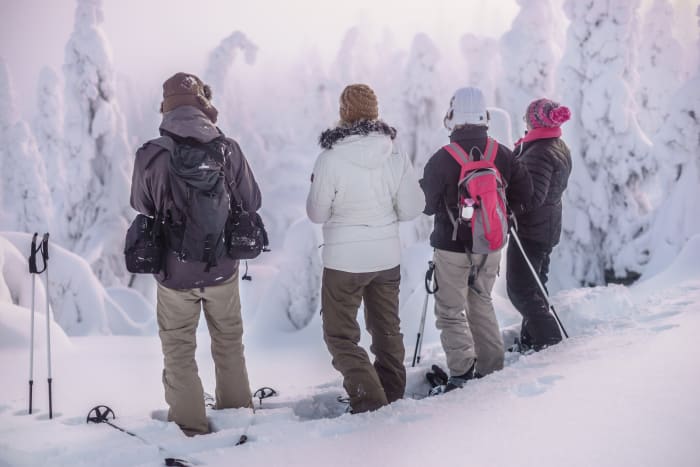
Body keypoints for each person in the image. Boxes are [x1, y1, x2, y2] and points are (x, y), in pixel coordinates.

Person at [130, 72, 260, 436]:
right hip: (221, 267)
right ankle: (238, 417)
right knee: (229, 342)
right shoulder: (227, 148)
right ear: (202, 103)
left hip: (175, 273)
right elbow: (252, 200)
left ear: (166, 107)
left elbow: (141, 203)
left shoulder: (151, 153)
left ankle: (190, 426)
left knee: (178, 349)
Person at [306, 84, 424, 413]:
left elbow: (316, 213)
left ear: (343, 114)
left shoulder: (329, 158)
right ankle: (391, 397)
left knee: (341, 336)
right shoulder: (395, 154)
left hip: (343, 261)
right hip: (386, 258)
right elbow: (413, 208)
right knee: (387, 329)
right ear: (375, 112)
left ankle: (370, 402)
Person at [420, 87, 531, 392]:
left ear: (453, 116)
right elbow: (526, 194)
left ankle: (462, 372)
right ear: (484, 116)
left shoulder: (442, 159)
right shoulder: (502, 153)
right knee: (481, 300)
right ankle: (491, 367)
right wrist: (502, 215)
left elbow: (426, 205)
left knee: (450, 310)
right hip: (491, 244)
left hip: (451, 246)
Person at [507, 98, 572, 352]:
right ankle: (532, 339)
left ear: (534, 122)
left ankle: (550, 341)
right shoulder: (555, 145)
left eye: (527, 119)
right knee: (534, 285)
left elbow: (532, 197)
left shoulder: (540, 152)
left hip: (531, 231)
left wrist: (509, 207)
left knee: (520, 290)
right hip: (546, 227)